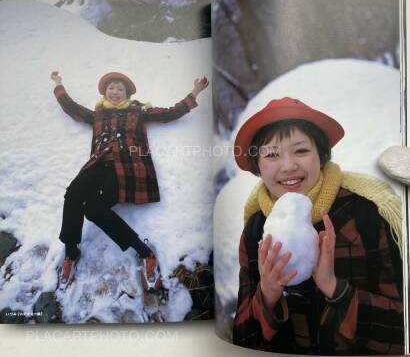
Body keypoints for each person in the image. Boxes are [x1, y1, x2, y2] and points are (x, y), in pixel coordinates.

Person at [232, 97, 404, 355]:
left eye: (301, 150)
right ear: (258, 165)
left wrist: (335, 289)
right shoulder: (256, 229)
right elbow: (242, 340)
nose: (288, 166)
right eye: (272, 154)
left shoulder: (366, 213)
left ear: (321, 155)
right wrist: (267, 296)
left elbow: (402, 331)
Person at [50, 70, 209, 292]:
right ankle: (71, 253)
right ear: (105, 92)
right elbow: (71, 107)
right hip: (97, 164)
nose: (115, 92)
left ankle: (145, 253)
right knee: (73, 195)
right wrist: (58, 83)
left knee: (94, 210)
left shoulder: (138, 111)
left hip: (125, 166)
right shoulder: (98, 114)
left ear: (127, 94)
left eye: (119, 89)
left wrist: (195, 92)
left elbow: (170, 113)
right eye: (111, 88)